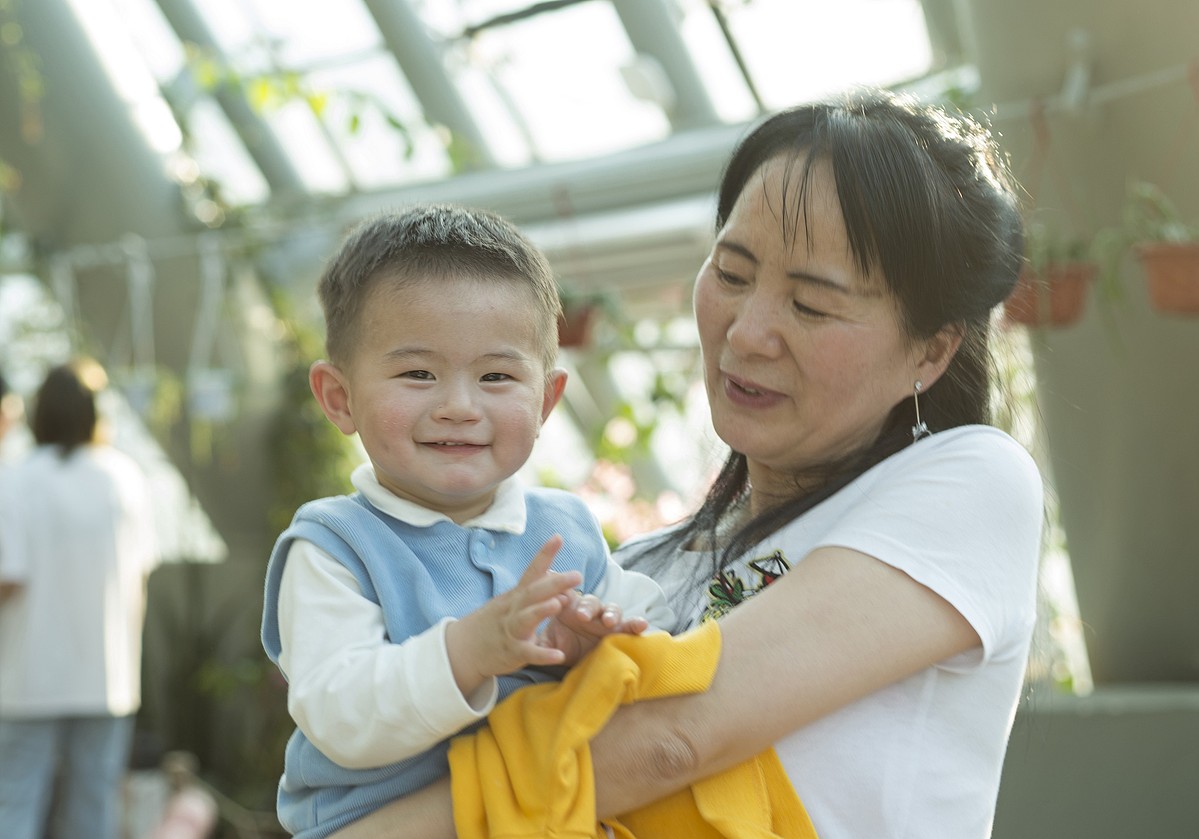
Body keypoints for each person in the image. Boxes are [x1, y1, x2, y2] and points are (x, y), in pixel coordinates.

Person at [330, 85, 1044, 839]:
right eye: (732, 273)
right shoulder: (641, 571)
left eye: (810, 304)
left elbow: (672, 736)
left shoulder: (974, 481)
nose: (748, 331)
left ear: (931, 349)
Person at [259, 203, 676, 837]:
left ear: (546, 400)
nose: (459, 406)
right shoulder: (334, 548)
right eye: (418, 373)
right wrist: (470, 651)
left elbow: (663, 640)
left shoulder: (567, 528)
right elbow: (339, 713)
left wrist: (599, 647)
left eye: (497, 375)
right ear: (339, 398)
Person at [0, 358, 159, 839]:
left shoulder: (17, 479)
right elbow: (143, 571)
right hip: (105, 674)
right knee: (92, 807)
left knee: (15, 803)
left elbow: (9, 579)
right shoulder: (124, 478)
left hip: (27, 675)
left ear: (37, 414)